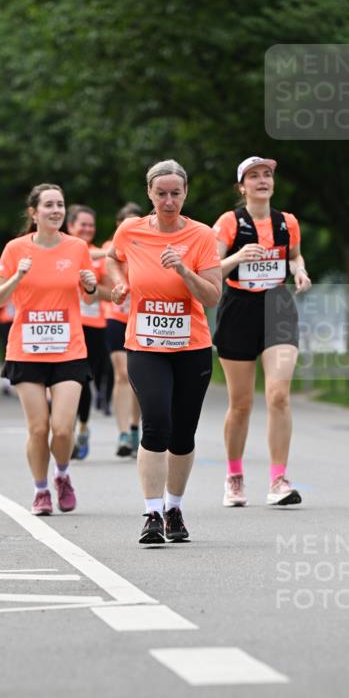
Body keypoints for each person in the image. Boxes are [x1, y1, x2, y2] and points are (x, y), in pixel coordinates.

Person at [107, 160, 222, 545]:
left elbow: (212, 295)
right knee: (156, 422)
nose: (168, 200)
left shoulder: (201, 236)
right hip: (145, 344)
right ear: (150, 195)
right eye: (161, 194)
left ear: (185, 193)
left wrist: (185, 272)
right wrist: (121, 283)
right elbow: (111, 258)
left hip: (191, 346)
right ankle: (151, 512)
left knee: (183, 433)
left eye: (175, 193)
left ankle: (174, 508)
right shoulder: (131, 230)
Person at [0, 183, 97, 516]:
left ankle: (62, 475)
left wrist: (91, 285)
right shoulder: (15, 249)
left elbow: (89, 297)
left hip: (68, 349)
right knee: (38, 428)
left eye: (60, 205)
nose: (56, 211)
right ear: (33, 212)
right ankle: (40, 491)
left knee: (63, 429)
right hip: (27, 350)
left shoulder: (77, 247)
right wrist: (17, 277)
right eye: (48, 205)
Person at [212, 156, 312, 507]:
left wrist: (299, 271)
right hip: (239, 308)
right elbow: (210, 271)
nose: (262, 180)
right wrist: (238, 257)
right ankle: (235, 477)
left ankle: (278, 480)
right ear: (242, 186)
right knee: (240, 404)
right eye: (253, 176)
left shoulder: (288, 222)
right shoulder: (228, 222)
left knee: (278, 396)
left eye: (267, 174)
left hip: (278, 307)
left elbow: (295, 256)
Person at [66, 205, 112, 460]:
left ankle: (82, 427)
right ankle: (66, 429)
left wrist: (92, 288)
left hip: (93, 327)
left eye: (90, 225)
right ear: (70, 226)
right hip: (64, 326)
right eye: (81, 224)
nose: (87, 229)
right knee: (65, 380)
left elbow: (109, 293)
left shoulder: (99, 258)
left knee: (84, 380)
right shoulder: (60, 251)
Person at [104, 202, 142, 457]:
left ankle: (135, 425)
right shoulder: (109, 252)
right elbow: (94, 291)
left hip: (143, 320)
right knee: (121, 374)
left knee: (138, 379)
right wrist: (117, 290)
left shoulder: (149, 246)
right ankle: (123, 434)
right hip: (116, 318)